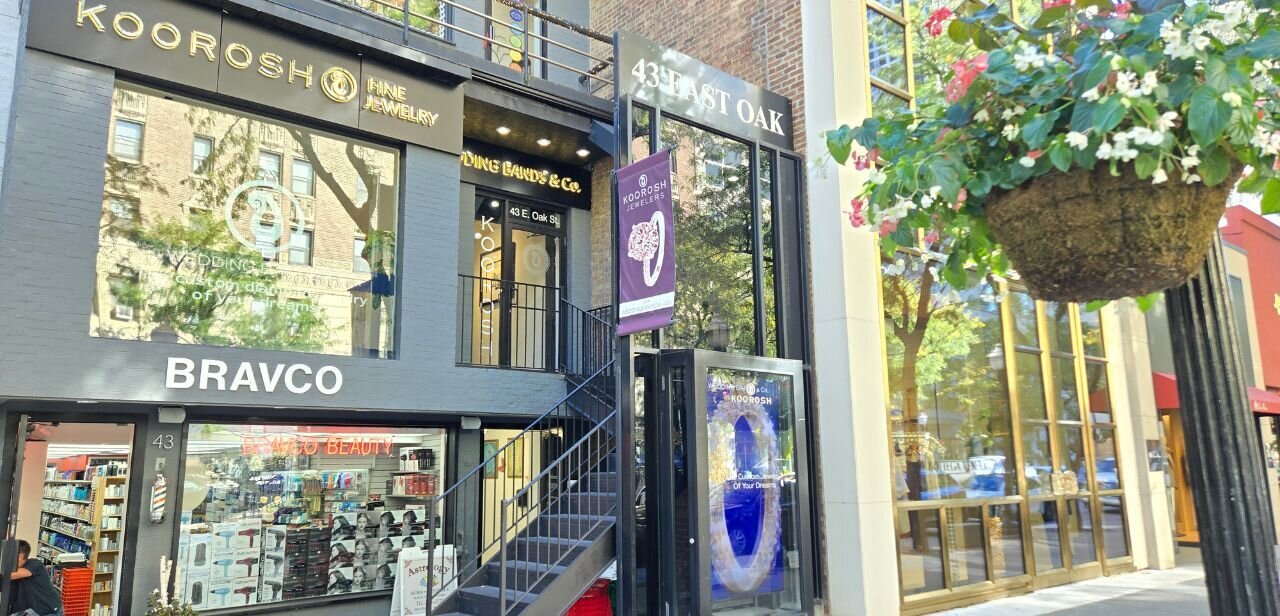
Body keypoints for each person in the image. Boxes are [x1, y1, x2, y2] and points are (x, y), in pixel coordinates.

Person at [8, 540, 62, 616]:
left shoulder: (34, 564)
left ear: (20, 556)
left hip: (49, 611)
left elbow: (12, 575)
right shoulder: (11, 573)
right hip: (30, 612)